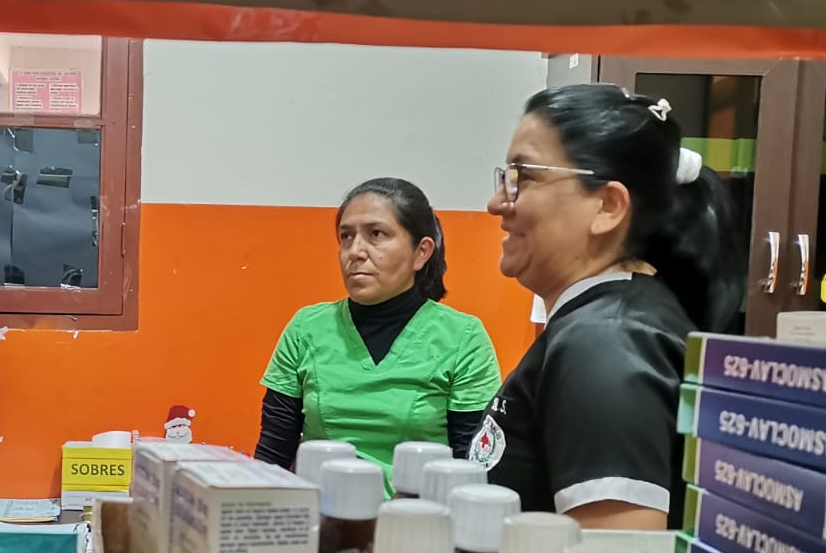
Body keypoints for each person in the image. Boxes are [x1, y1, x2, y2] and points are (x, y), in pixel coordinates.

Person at [472, 83, 747, 530]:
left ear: (608, 206)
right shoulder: (598, 322)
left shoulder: (607, 344)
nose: (497, 203)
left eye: (524, 176)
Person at [254, 177, 503, 487]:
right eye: (346, 236)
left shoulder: (463, 338)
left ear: (422, 252)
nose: (355, 251)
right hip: (321, 522)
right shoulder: (307, 328)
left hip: (416, 523)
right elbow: (271, 457)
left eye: (376, 234)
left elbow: (472, 467)